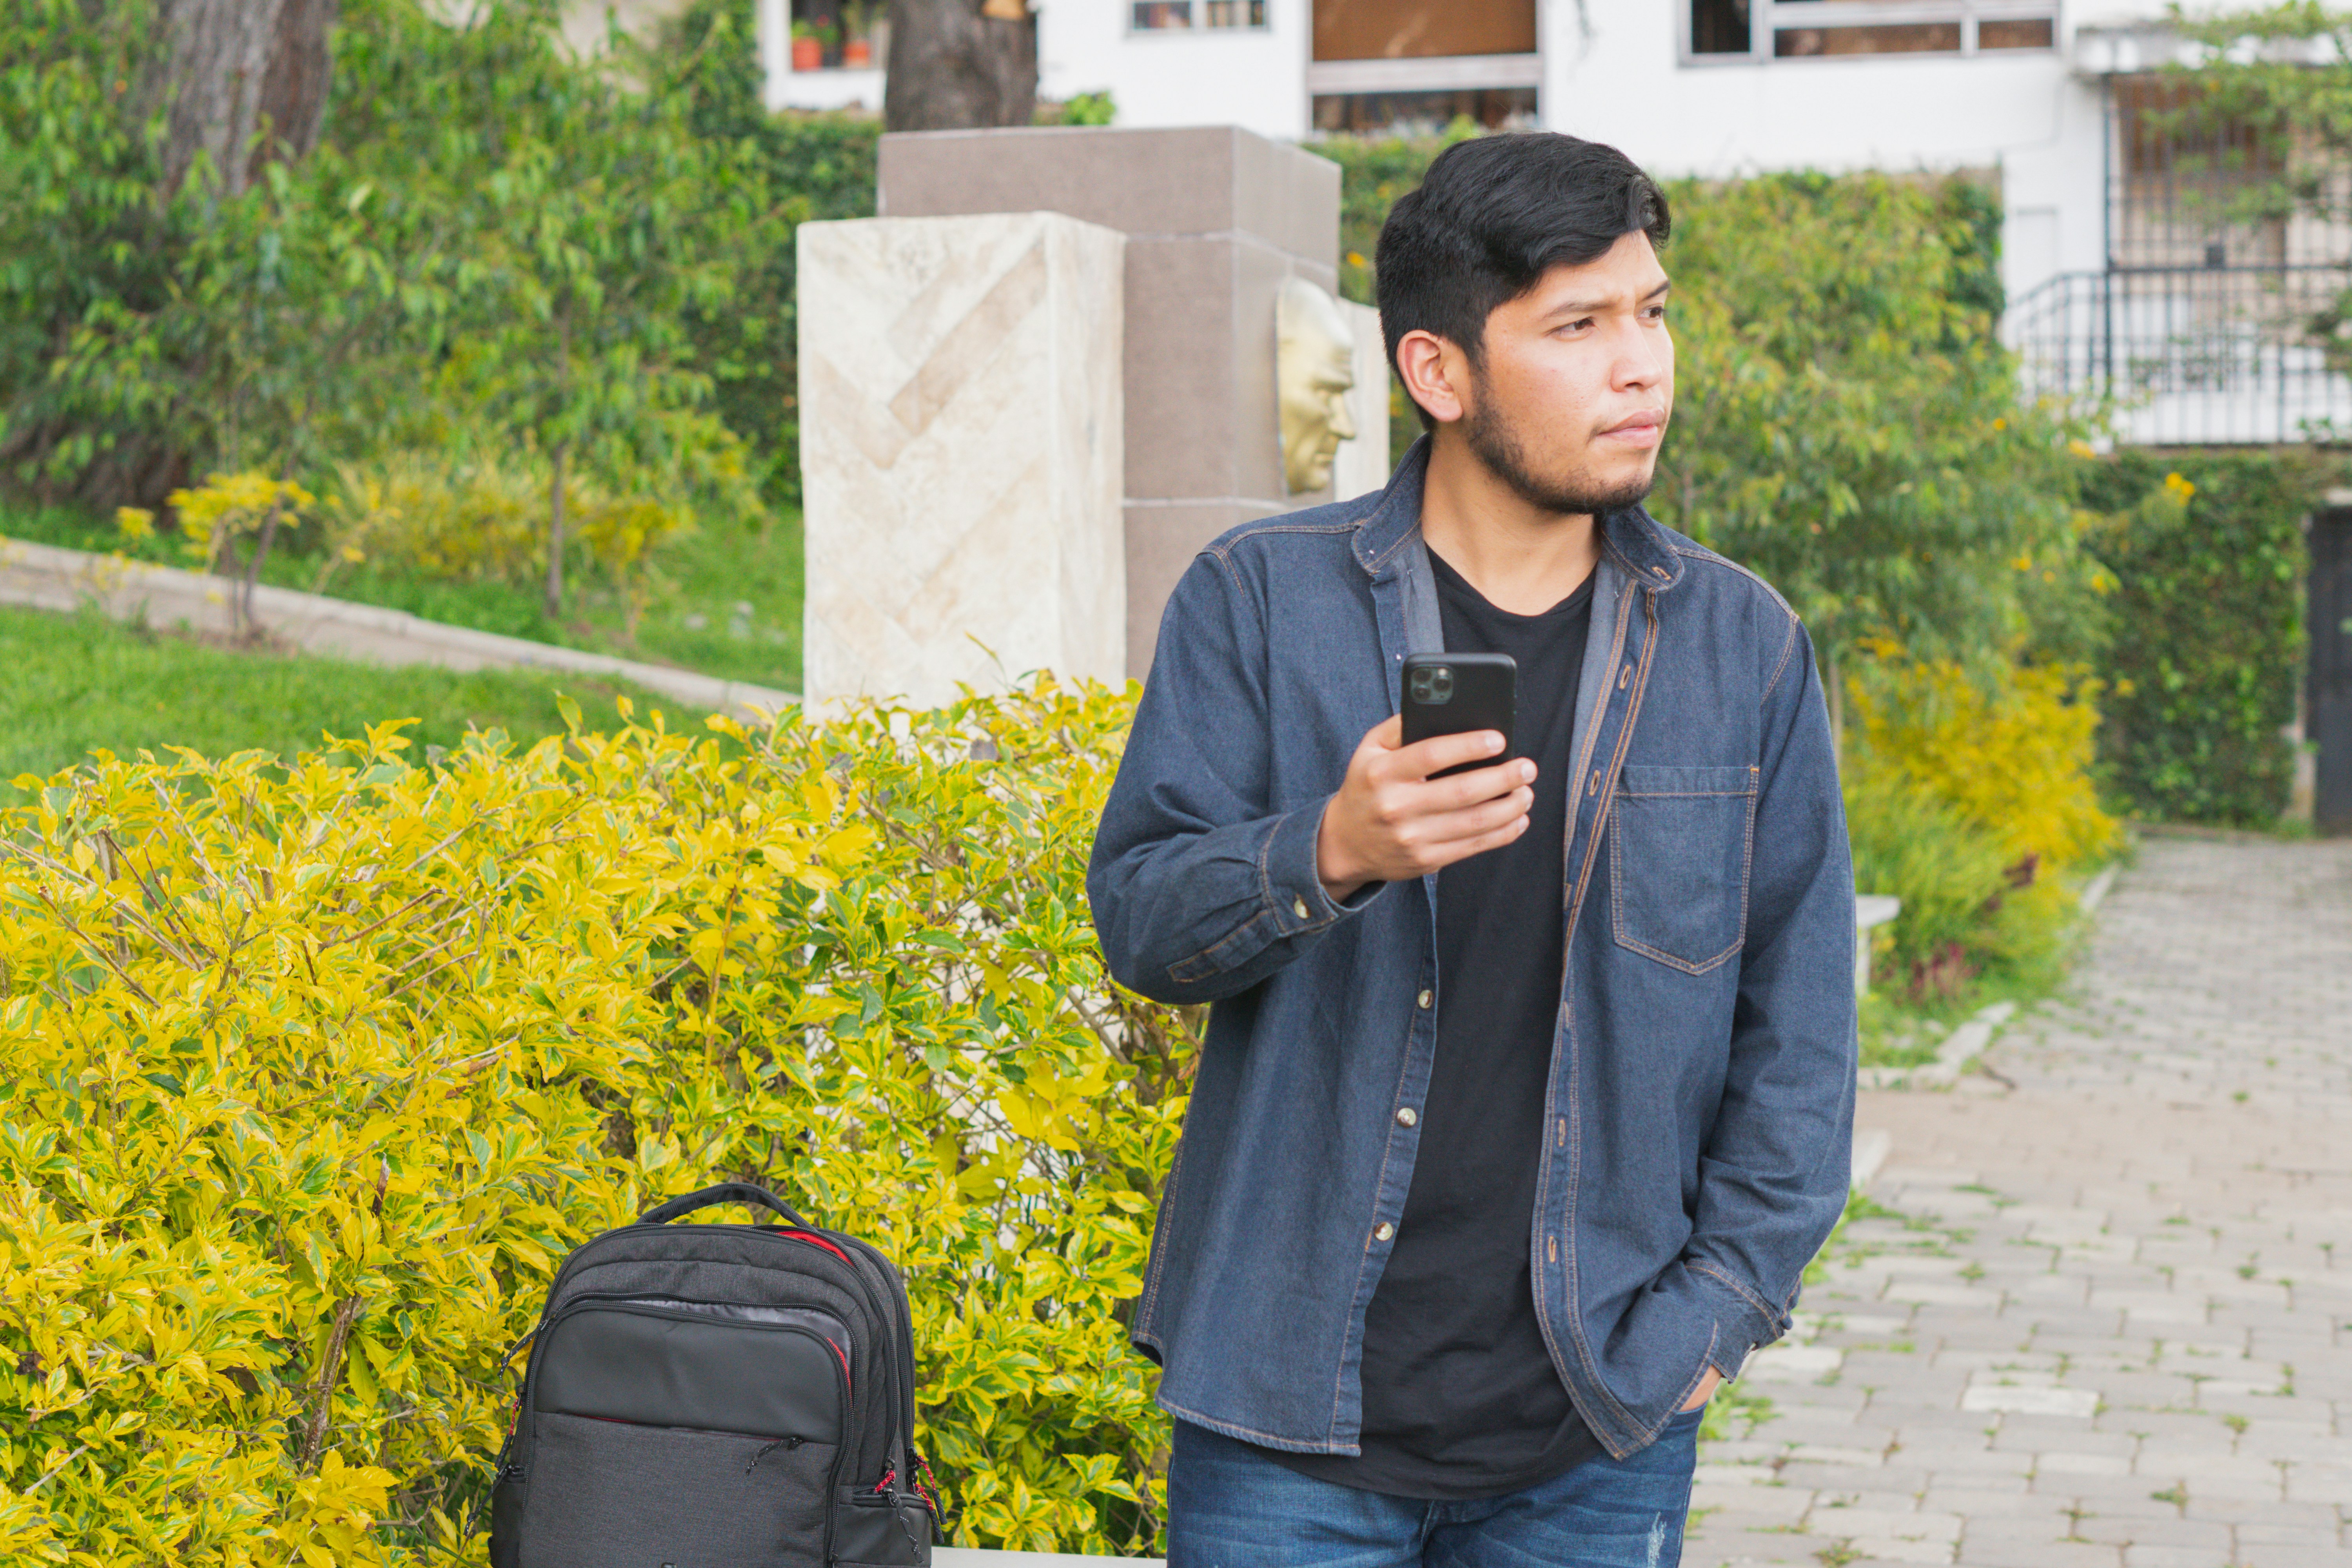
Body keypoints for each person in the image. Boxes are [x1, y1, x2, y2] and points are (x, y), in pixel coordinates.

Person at [1087, 132, 1857, 1567]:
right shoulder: (1262, 601)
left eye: (1653, 311)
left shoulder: (1739, 645)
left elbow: (1800, 1036)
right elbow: (1139, 920)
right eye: (1579, 326)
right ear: (1439, 374)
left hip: (1593, 1424)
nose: (1644, 367)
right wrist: (1327, 848)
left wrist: (1717, 1316)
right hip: (1286, 1420)